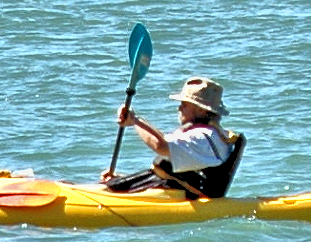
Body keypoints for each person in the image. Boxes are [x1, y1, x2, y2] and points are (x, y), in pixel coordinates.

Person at [101, 76, 244, 198]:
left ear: (201, 109)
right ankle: (114, 186)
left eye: (184, 105)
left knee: (162, 162)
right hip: (178, 190)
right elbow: (171, 171)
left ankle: (112, 190)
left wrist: (135, 122)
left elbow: (161, 146)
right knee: (163, 164)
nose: (179, 108)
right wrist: (123, 180)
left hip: (194, 197)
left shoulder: (202, 138)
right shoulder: (213, 134)